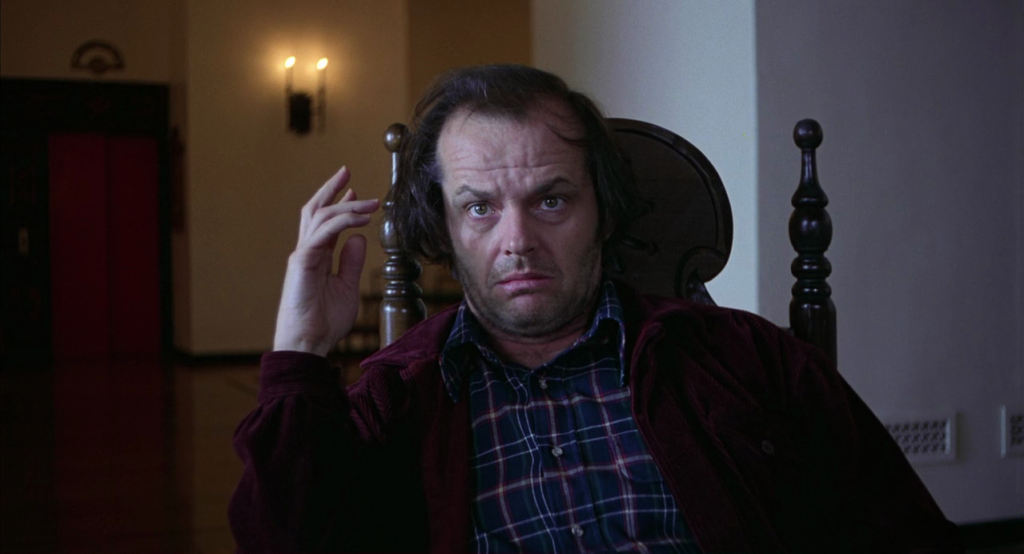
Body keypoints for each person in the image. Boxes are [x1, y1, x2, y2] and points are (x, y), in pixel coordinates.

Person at [230, 65, 960, 553]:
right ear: (445, 231)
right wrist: (298, 355)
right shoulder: (396, 398)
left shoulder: (748, 360)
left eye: (551, 200)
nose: (518, 240)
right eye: (480, 208)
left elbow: (903, 531)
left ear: (602, 209)